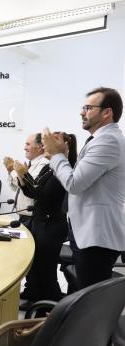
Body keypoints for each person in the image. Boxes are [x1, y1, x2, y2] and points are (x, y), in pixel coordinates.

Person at [42, 87, 125, 290]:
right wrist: (62, 152)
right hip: (88, 230)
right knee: (83, 294)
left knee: (89, 301)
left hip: (96, 236)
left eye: (88, 107)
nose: (82, 112)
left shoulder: (108, 141)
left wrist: (56, 155)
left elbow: (74, 184)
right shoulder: (100, 140)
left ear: (107, 112)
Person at [15, 132, 77, 304]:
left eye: (48, 143)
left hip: (51, 226)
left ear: (63, 146)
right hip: (40, 222)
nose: (44, 147)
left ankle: (49, 306)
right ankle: (36, 297)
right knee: (36, 267)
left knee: (46, 271)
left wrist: (25, 175)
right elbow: (32, 192)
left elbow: (44, 195)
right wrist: (22, 176)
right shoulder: (48, 167)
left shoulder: (64, 169)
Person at [3, 134, 49, 228]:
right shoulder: (30, 164)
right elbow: (15, 187)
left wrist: (12, 170)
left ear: (39, 147)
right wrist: (10, 170)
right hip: (24, 215)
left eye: (28, 144)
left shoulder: (43, 164)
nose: (24, 148)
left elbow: (28, 186)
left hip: (32, 217)